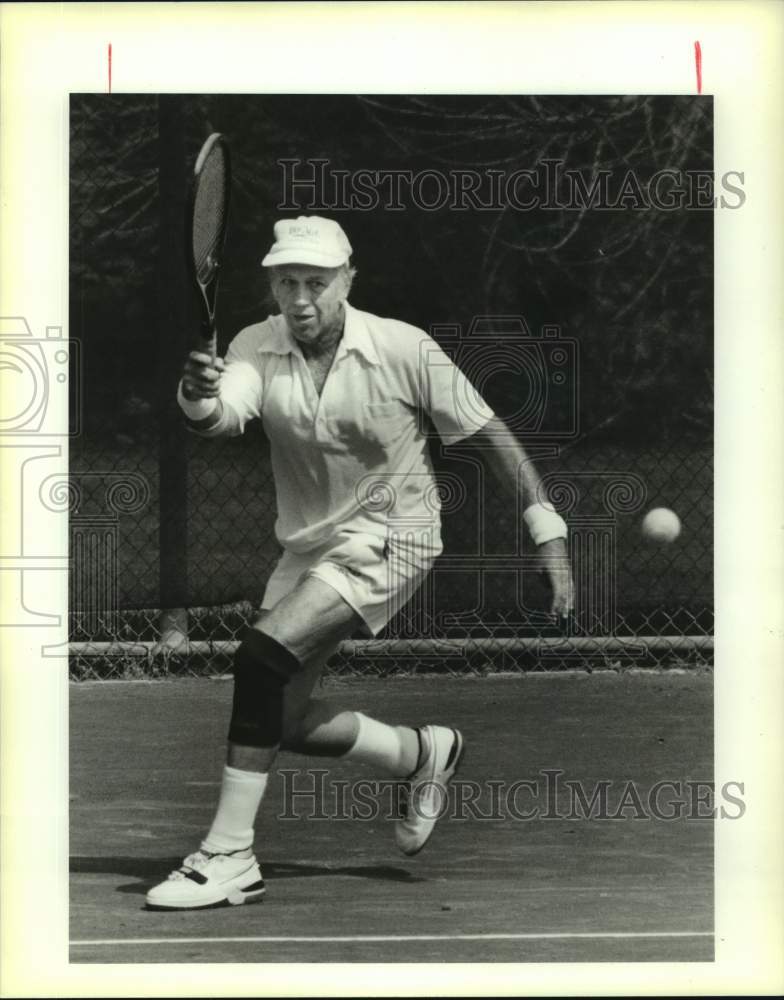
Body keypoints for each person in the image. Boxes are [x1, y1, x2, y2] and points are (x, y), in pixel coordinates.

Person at [146, 216, 573, 910]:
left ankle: (228, 854)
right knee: (278, 717)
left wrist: (546, 531)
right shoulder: (257, 343)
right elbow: (221, 418)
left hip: (396, 531)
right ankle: (418, 753)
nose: (301, 298)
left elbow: (488, 433)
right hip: (311, 544)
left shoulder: (405, 348)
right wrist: (196, 392)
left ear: (348, 281)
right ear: (273, 287)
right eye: (288, 282)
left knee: (259, 659)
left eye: (317, 282)